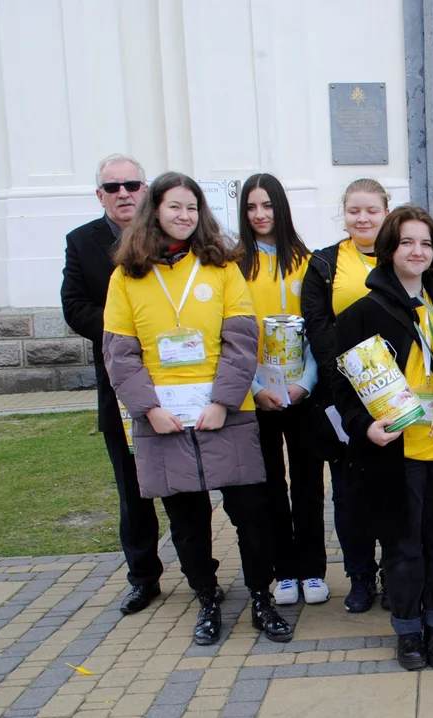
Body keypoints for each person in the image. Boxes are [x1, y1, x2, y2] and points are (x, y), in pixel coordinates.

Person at [102, 172, 292, 644]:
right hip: (163, 419)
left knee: (251, 512)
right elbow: (119, 353)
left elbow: (242, 340)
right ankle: (207, 598)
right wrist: (147, 409)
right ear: (156, 211)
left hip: (224, 413)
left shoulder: (223, 267)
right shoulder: (127, 276)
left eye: (192, 208)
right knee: (186, 521)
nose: (184, 216)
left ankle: (260, 598)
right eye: (174, 207)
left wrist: (225, 401)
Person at [331, 204, 433, 671]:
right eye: (406, 242)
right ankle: (407, 632)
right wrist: (363, 427)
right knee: (402, 547)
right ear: (388, 249)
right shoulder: (362, 313)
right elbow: (342, 388)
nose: (417, 251)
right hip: (394, 454)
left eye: (425, 243)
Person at [62, 154, 174, 615]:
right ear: (100, 196)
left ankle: (201, 572)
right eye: (113, 187)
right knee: (132, 488)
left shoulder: (172, 238)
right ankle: (143, 577)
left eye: (131, 184)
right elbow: (74, 305)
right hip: (121, 388)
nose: (123, 193)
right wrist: (123, 332)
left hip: (177, 382)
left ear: (145, 189)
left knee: (187, 486)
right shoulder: (81, 242)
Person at [237, 173, 328, 606]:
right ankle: (285, 571)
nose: (260, 215)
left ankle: (313, 569)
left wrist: (305, 384)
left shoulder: (306, 261)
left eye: (267, 205)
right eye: (252, 207)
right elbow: (232, 336)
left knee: (308, 483)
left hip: (300, 394)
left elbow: (315, 328)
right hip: (257, 396)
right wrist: (256, 388)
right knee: (271, 482)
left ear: (281, 208)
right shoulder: (233, 265)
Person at [301, 179, 392, 613]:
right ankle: (359, 575)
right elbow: (317, 326)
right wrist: (348, 374)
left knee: (396, 488)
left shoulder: (402, 253)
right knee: (350, 490)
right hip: (343, 393)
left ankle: (395, 570)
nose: (363, 218)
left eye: (371, 211)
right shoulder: (324, 263)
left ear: (385, 212)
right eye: (354, 210)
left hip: (396, 391)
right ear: (344, 213)